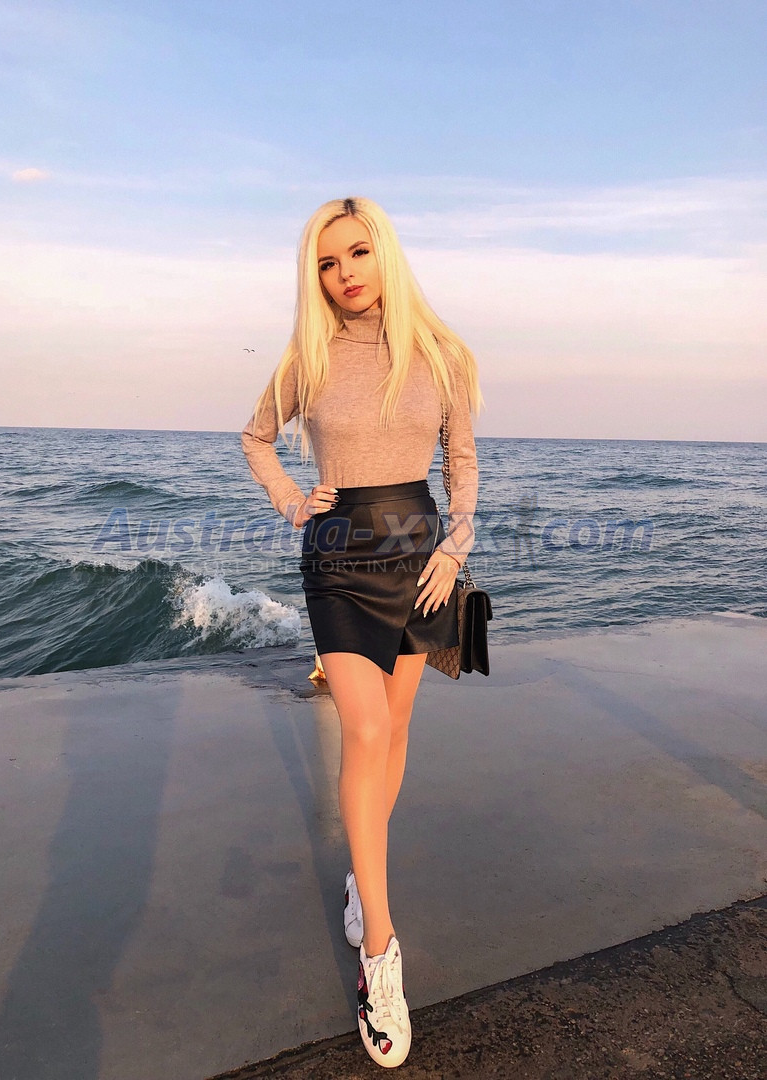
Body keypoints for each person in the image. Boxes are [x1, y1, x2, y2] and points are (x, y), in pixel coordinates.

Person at [241, 196, 481, 1068]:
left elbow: (460, 462)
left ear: (384, 254)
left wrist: (455, 547)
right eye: (326, 262)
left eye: (355, 254)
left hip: (421, 555)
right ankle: (379, 952)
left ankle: (359, 874)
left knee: (397, 728)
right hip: (338, 552)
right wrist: (290, 499)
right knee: (367, 729)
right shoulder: (306, 356)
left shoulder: (441, 353)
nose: (343, 274)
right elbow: (255, 437)